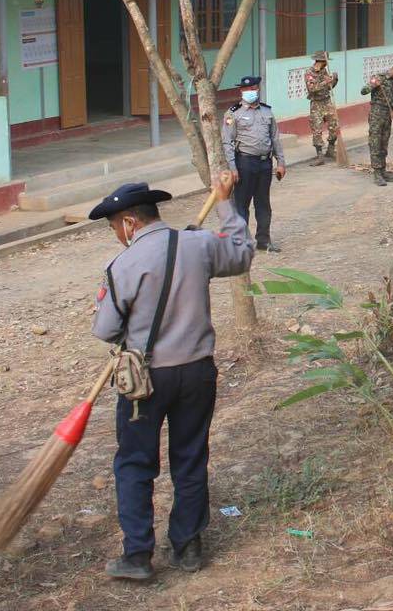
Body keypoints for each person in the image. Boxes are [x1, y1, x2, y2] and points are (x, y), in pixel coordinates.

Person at [90, 175, 253, 582]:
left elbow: (106, 330)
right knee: (191, 456)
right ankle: (188, 546)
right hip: (198, 372)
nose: (116, 235)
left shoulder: (123, 264)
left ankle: (138, 556)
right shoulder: (197, 244)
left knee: (135, 464)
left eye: (114, 227)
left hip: (145, 381)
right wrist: (225, 203)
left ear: (129, 222)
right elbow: (242, 254)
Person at [222, 75, 286, 252]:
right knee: (242, 204)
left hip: (265, 164)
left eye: (253, 89)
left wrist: (280, 162)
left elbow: (275, 138)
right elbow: (227, 142)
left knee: (263, 203)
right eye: (247, 89)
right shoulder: (233, 113)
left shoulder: (267, 111)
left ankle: (264, 241)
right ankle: (242, 243)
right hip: (245, 163)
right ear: (241, 91)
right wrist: (233, 167)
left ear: (258, 89)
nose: (251, 92)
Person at [361, 59, 393, 187]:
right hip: (377, 114)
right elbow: (363, 91)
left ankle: (383, 171)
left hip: (387, 115)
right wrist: (373, 85)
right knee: (375, 142)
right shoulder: (379, 78)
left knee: (384, 143)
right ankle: (377, 173)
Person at [303, 51, 340, 166]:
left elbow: (330, 87)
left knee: (334, 125)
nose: (326, 64)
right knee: (317, 129)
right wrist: (325, 81)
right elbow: (312, 89)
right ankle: (319, 155)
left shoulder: (324, 71)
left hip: (327, 101)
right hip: (316, 104)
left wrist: (334, 80)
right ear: (320, 61)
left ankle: (330, 149)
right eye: (325, 62)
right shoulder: (309, 73)